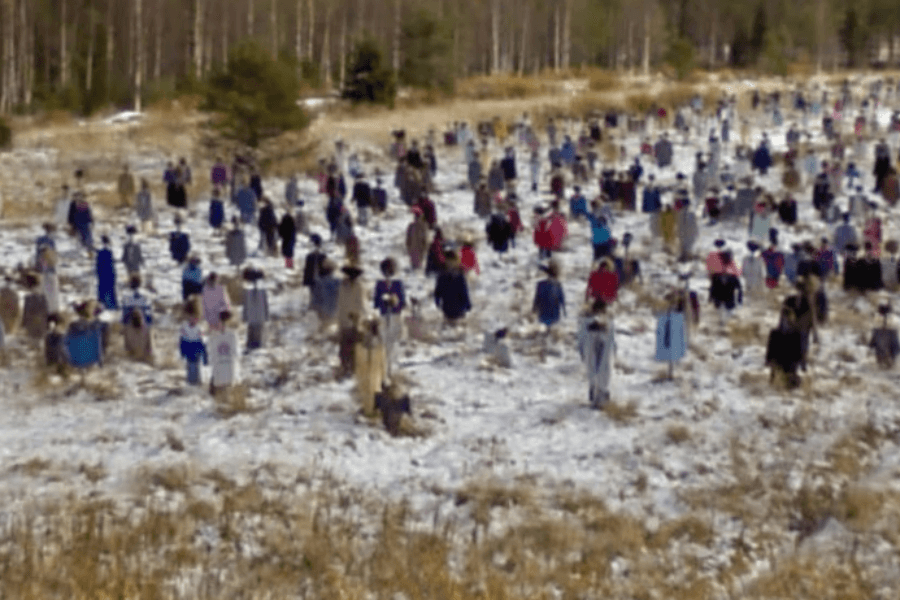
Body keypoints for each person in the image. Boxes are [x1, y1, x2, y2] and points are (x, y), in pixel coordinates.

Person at [578, 299, 616, 409]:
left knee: (602, 374)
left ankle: (600, 399)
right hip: (593, 351)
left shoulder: (609, 322)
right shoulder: (587, 322)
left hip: (603, 351)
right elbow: (582, 337)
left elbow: (612, 339)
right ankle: (596, 399)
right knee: (595, 373)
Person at [374, 258, 405, 376]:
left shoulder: (388, 284)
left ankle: (389, 367)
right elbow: (376, 302)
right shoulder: (393, 284)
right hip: (389, 315)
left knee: (389, 341)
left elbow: (376, 303)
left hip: (391, 315)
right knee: (388, 341)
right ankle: (387, 367)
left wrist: (392, 301)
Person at [337, 264, 366, 377]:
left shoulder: (343, 285)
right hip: (354, 320)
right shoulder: (359, 286)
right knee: (353, 344)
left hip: (346, 319)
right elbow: (361, 303)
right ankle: (351, 367)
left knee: (345, 345)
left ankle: (346, 367)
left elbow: (341, 303)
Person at [354, 316, 387, 415]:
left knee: (368, 387)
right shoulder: (379, 340)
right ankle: (370, 409)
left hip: (369, 359)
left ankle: (369, 409)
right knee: (373, 386)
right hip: (373, 359)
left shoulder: (365, 340)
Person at [766, 306, 804, 388]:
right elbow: (770, 351)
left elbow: (799, 353)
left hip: (789, 366)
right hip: (779, 365)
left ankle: (789, 381)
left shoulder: (796, 334)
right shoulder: (775, 333)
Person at [434, 251, 472, 323]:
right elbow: (438, 290)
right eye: (448, 261)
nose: (450, 263)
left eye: (452, 261)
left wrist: (467, 304)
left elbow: (464, 290)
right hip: (447, 306)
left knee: (457, 325)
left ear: (456, 261)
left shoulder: (460, 275)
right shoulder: (442, 275)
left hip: (459, 307)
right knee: (449, 325)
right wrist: (437, 300)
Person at [208, 310, 240, 396]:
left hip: (224, 369)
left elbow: (235, 353)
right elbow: (236, 353)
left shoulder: (229, 335)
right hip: (224, 368)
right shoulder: (229, 335)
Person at [242, 268, 269, 351]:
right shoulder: (261, 289)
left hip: (252, 315)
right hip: (259, 315)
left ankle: (251, 345)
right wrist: (266, 315)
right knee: (258, 331)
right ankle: (257, 346)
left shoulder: (248, 290)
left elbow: (245, 304)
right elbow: (265, 304)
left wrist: (244, 316)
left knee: (252, 331)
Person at [533, 260, 566, 329]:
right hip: (552, 314)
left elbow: (537, 298)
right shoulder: (557, 285)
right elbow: (561, 298)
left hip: (545, 314)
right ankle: (548, 330)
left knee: (547, 322)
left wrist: (534, 308)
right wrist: (564, 310)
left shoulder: (540, 284)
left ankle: (548, 330)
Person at [310, 259, 340, 329]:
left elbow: (314, 298)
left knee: (324, 327)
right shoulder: (337, 282)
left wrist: (312, 307)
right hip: (334, 310)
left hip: (322, 311)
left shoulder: (317, 281)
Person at [96, 236, 118, 310]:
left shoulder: (100, 252)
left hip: (102, 275)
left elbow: (98, 266)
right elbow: (112, 266)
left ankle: (101, 306)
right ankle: (112, 306)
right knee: (111, 291)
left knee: (102, 291)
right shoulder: (109, 252)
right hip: (109, 275)